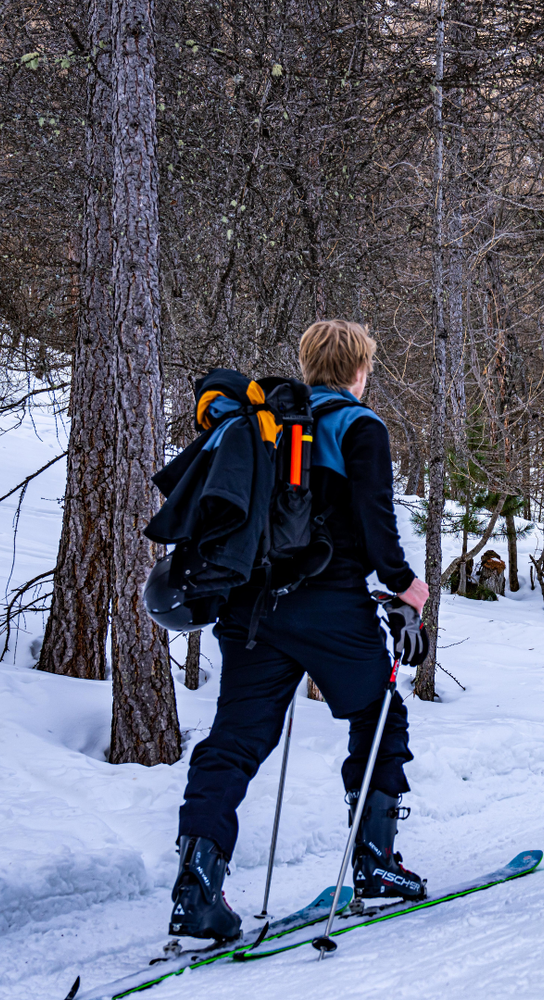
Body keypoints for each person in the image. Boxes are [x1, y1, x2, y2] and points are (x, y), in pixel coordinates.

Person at [170, 319, 432, 940]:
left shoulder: (261, 425)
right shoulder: (359, 426)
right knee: (378, 712)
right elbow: (376, 523)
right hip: (330, 605)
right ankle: (374, 863)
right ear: (359, 371)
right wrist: (404, 585)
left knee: (233, 740)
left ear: (310, 365)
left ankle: (196, 889)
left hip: (250, 607)